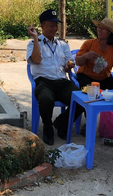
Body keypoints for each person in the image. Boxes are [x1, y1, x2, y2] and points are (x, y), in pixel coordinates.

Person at [27, 9, 81, 145]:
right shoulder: (33, 43)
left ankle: (61, 123)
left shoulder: (63, 45)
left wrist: (69, 66)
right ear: (42, 26)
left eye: (56, 25)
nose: (54, 28)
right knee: (45, 99)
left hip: (62, 82)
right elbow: (37, 60)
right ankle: (47, 127)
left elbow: (68, 65)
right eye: (51, 25)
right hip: (44, 82)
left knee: (81, 99)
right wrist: (35, 37)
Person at [75, 17, 113, 91]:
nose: (99, 30)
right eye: (99, 27)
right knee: (88, 89)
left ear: (110, 33)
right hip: (85, 76)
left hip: (103, 79)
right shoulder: (88, 44)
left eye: (103, 28)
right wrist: (86, 56)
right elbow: (78, 62)